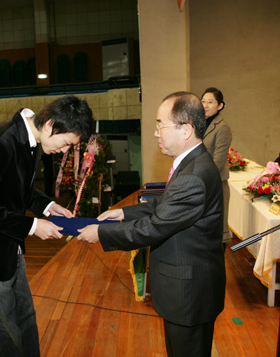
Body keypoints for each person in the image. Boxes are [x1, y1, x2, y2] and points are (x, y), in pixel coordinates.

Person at [78, 92, 226, 357]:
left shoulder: (193, 174)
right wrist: (124, 214)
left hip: (189, 294)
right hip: (190, 288)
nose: (156, 133)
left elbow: (154, 227)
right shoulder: (192, 162)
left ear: (186, 130)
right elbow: (165, 207)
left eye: (161, 124)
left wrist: (101, 233)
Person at [0, 95, 94, 356]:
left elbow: (17, 189)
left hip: (10, 245)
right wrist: (34, 226)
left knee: (25, 318)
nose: (65, 151)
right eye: (67, 143)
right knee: (3, 332)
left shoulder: (32, 138)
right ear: (50, 125)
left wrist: (47, 207)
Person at [201, 87, 232, 249]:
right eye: (203, 101)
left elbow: (217, 162)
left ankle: (217, 271)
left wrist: (198, 177)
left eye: (211, 102)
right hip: (201, 182)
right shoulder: (198, 124)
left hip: (215, 184)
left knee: (217, 231)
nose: (206, 105)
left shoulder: (222, 127)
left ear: (220, 106)